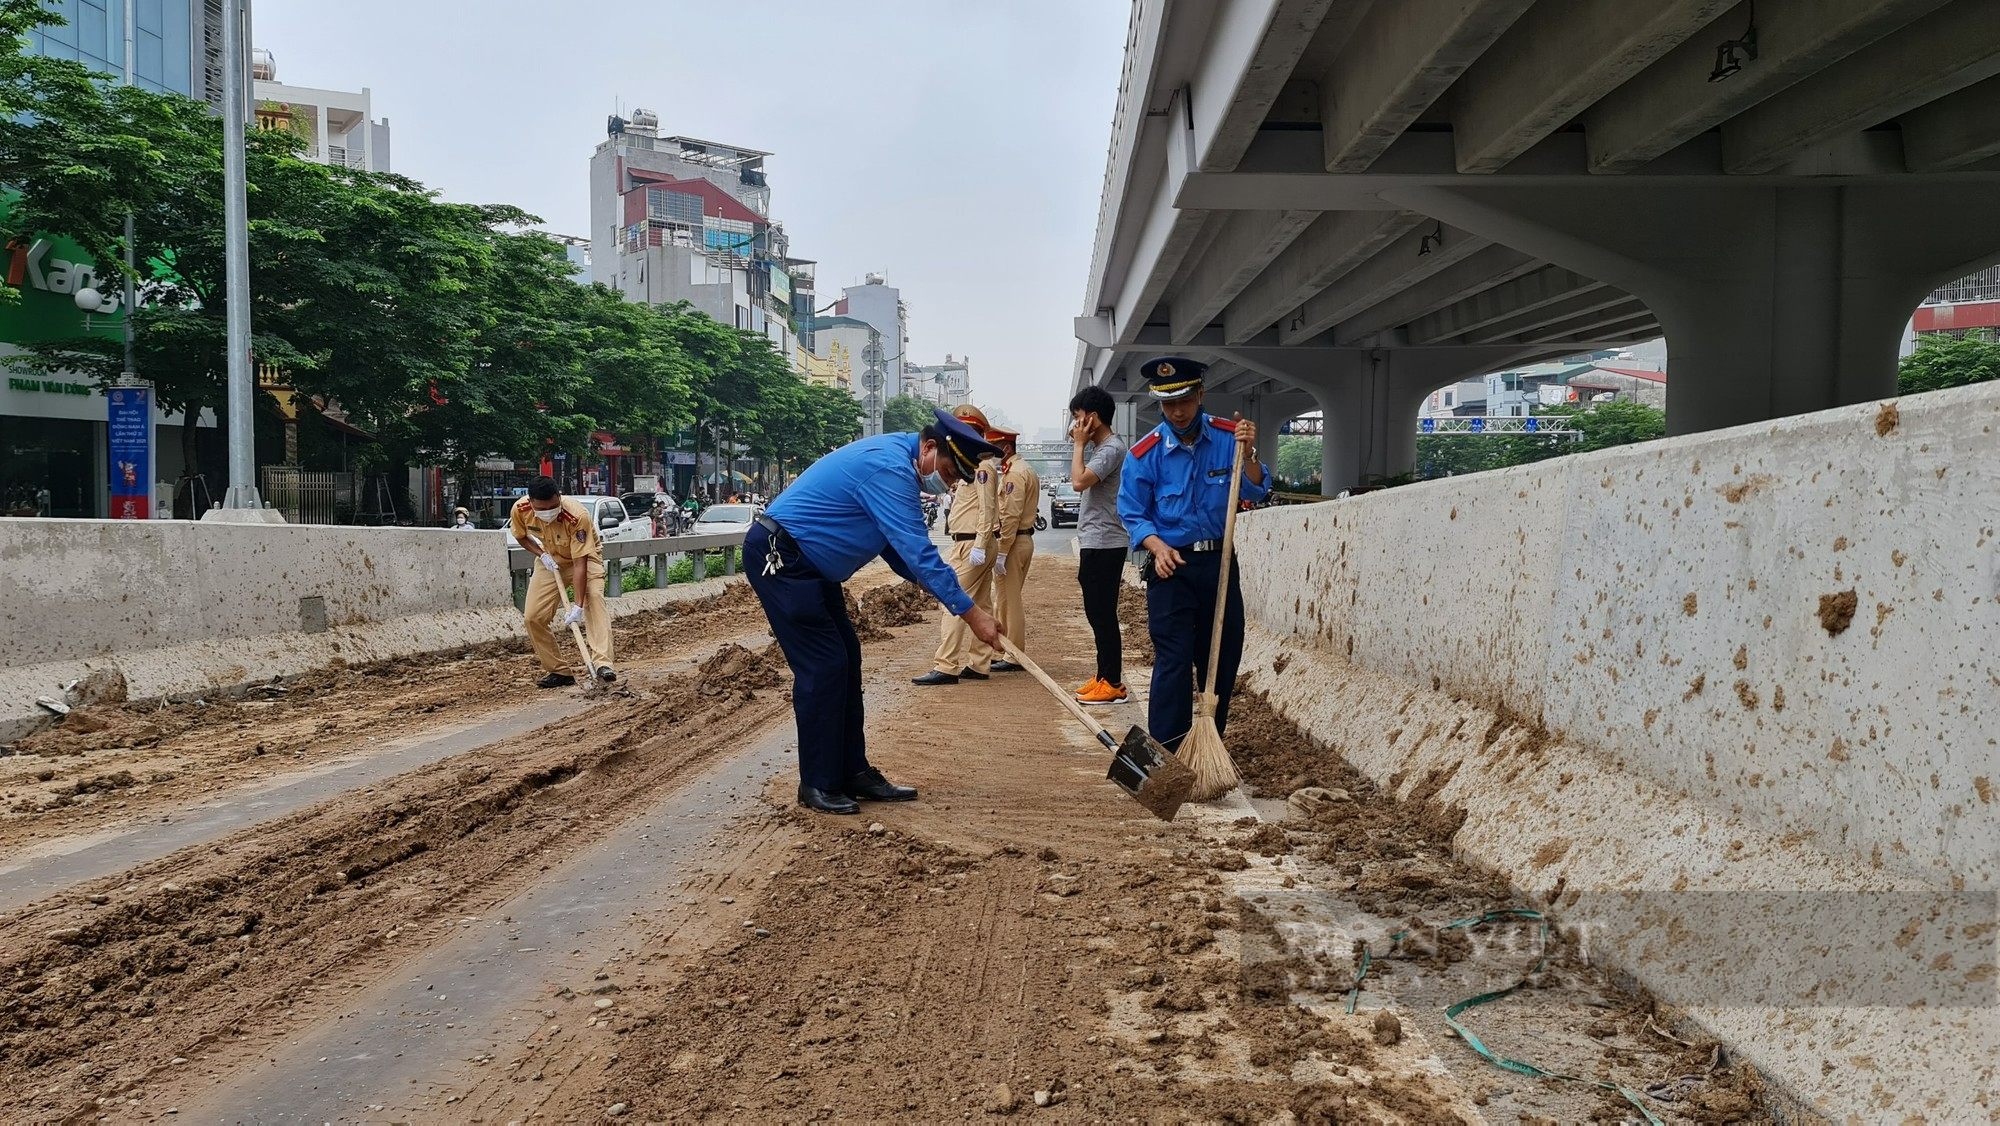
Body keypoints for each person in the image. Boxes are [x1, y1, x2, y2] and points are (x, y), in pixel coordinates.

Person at [747, 408, 1007, 814]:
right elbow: (918, 551)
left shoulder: (898, 460)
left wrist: (934, 585)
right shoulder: (889, 469)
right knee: (824, 666)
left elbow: (898, 550)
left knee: (846, 658)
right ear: (930, 447)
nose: (951, 482)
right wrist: (972, 614)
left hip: (812, 568)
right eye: (950, 472)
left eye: (957, 478)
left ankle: (852, 771)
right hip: (782, 560)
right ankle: (817, 783)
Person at [1117, 357, 1268, 752]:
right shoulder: (1143, 454)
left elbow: (1254, 491)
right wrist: (1156, 544)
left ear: (1200, 394)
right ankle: (1167, 751)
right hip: (1172, 568)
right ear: (1159, 405)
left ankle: (1206, 749)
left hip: (1219, 566)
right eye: (1168, 405)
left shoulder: (1227, 438)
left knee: (1221, 657)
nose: (1178, 411)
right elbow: (1132, 511)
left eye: (1184, 400)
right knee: (1174, 659)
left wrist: (1249, 453)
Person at [914, 403, 1003, 687]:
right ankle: (979, 664)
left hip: (971, 545)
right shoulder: (978, 466)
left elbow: (988, 509)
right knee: (981, 603)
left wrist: (980, 544)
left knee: (952, 600)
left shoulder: (982, 467)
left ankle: (946, 665)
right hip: (970, 543)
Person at [509, 475, 617, 689]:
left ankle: (603, 665)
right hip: (550, 560)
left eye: (553, 506)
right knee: (533, 617)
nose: (548, 512)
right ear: (531, 502)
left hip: (586, 559)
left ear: (559, 497)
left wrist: (577, 606)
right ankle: (558, 671)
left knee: (593, 600)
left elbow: (580, 565)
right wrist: (541, 554)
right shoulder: (520, 510)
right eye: (542, 509)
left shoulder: (577, 515)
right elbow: (521, 536)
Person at [1066, 385, 1131, 704]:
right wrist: (1080, 439)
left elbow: (1078, 482)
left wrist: (1079, 443)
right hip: (1098, 540)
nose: (1075, 425)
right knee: (1097, 612)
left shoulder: (1111, 449)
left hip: (1106, 542)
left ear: (1092, 418)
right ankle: (1104, 674)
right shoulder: (1102, 447)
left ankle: (1114, 683)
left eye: (1078, 417)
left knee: (1102, 613)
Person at [987, 427, 1041, 673]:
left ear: (1005, 448)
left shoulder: (1014, 475)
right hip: (1021, 540)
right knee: (1007, 599)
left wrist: (1002, 550)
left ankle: (1015, 655)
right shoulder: (1023, 469)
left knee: (1010, 601)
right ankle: (1008, 650)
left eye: (994, 448)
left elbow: (1010, 515)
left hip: (1014, 542)